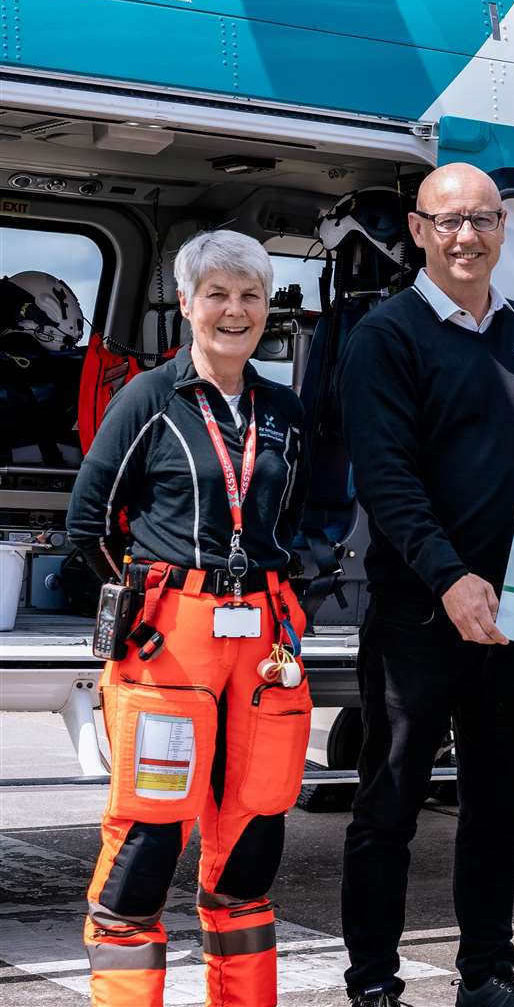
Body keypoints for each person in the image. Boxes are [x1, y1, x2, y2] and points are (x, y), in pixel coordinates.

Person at [65, 230, 309, 1007]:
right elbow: (89, 525)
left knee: (253, 834)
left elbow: (303, 516)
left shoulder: (284, 411)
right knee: (148, 839)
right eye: (217, 295)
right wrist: (138, 620)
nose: (234, 311)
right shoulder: (150, 398)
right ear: (186, 304)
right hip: (171, 643)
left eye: (249, 296)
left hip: (262, 645)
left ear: (266, 307)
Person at [337, 164, 514, 1007]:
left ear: (502, 229)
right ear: (418, 230)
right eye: (449, 220)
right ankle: (374, 984)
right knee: (388, 805)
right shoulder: (387, 335)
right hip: (421, 617)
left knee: (499, 806)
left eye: (483, 219)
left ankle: (487, 975)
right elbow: (387, 479)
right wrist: (452, 578)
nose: (467, 235)